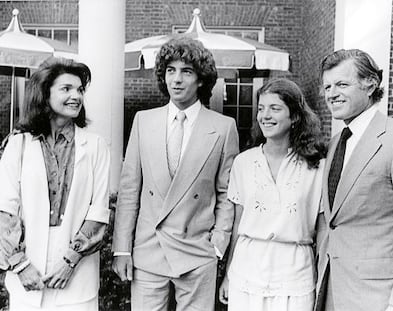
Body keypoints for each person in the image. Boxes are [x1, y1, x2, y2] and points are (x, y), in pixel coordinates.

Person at [112, 37, 239, 311]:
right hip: (149, 249)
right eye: (171, 70)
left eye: (186, 71)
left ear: (201, 80)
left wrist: (218, 242)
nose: (177, 79)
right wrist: (122, 248)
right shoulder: (143, 121)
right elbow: (130, 189)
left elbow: (226, 193)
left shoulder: (224, 127)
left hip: (197, 251)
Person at [0, 57, 110, 310]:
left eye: (80, 90)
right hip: (27, 271)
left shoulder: (95, 146)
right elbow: (4, 208)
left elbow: (99, 210)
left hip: (76, 273)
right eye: (66, 89)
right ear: (44, 94)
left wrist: (69, 262)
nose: (77, 96)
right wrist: (20, 265)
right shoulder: (18, 144)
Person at [314, 49, 393, 311]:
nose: (331, 93)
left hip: (377, 298)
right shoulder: (336, 143)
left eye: (342, 84)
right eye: (327, 86)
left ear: (370, 84)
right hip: (331, 290)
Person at [218, 78, 327, 311]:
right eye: (261, 108)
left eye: (275, 108)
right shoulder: (243, 163)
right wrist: (228, 274)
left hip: (295, 275)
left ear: (295, 116)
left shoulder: (316, 167)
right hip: (247, 272)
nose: (265, 115)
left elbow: (322, 231)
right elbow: (237, 225)